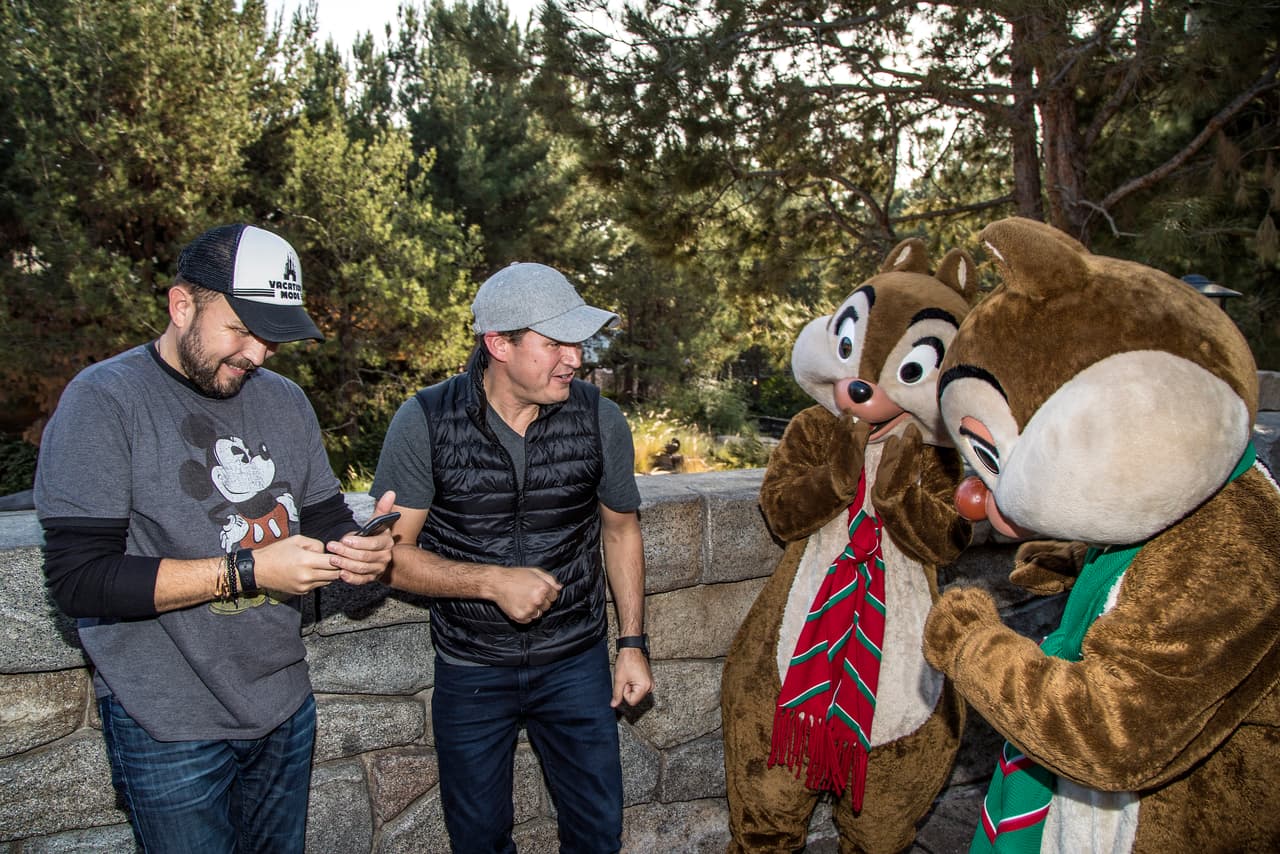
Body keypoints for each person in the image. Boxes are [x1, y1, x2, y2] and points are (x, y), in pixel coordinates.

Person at [33, 223, 396, 854]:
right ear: (182, 306)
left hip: (284, 703)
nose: (258, 354)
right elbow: (79, 580)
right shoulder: (104, 400)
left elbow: (324, 518)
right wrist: (247, 571)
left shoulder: (286, 401)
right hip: (167, 721)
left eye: (272, 337)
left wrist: (360, 549)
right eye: (241, 329)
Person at [370, 262, 653, 853]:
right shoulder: (424, 420)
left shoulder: (599, 418)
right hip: (471, 668)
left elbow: (621, 531)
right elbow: (390, 556)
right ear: (499, 344)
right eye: (555, 344)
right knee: (478, 840)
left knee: (599, 834)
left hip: (576, 662)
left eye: (577, 343)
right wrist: (492, 582)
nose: (574, 360)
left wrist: (631, 645)